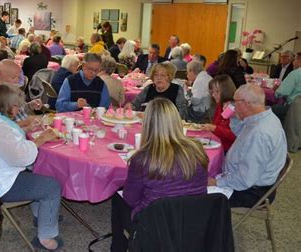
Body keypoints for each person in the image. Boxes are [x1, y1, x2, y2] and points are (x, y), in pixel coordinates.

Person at [0, 84, 63, 250]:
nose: (19, 110)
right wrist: (41, 139)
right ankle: (45, 237)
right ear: (6, 105)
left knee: (39, 170)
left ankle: (41, 214)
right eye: (17, 106)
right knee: (52, 186)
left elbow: (2, 138)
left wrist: (23, 127)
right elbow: (19, 158)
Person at [111, 98, 208, 251]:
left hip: (153, 226)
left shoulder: (142, 158)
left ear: (147, 124)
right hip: (193, 220)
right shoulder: (197, 148)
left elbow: (131, 199)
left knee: (117, 197)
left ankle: (118, 247)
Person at [208, 84, 287, 208]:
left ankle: (211, 225)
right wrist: (234, 117)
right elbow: (241, 134)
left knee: (196, 193)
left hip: (252, 191)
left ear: (245, 104)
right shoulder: (262, 118)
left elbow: (245, 179)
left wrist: (216, 182)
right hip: (246, 180)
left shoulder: (260, 134)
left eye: (235, 102)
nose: (233, 105)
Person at [0, 60, 43, 130]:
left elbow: (16, 110)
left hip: (26, 129)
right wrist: (26, 123)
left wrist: (30, 105)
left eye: (18, 78)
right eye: (13, 77)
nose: (17, 81)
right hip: (13, 135)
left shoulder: (7, 88)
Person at [200, 75, 237, 152]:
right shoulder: (220, 105)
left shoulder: (233, 108)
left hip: (228, 149)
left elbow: (235, 135)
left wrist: (214, 128)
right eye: (212, 92)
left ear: (226, 90)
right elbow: (216, 125)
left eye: (217, 91)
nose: (213, 95)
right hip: (217, 143)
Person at [272, 56, 301, 121]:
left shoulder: (295, 73)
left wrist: (276, 90)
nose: (293, 62)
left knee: (272, 109)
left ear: (299, 61)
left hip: (294, 108)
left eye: (294, 59)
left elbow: (282, 92)